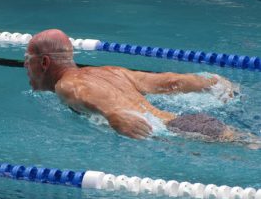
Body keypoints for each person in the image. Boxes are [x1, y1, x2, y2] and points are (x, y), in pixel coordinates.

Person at [24, 29, 246, 143]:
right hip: (187, 121)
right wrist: (211, 83)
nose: (25, 66)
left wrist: (112, 114)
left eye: (27, 59)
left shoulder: (66, 84)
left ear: (44, 62)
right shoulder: (110, 71)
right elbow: (169, 82)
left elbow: (81, 93)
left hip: (173, 133)